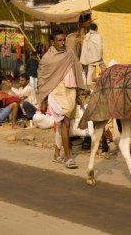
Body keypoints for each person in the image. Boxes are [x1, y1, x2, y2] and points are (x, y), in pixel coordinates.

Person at [37, 29, 87, 169]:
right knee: (65, 122)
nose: (62, 42)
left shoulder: (70, 52)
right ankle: (68, 157)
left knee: (62, 124)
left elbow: (76, 71)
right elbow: (43, 79)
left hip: (70, 91)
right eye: (59, 40)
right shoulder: (47, 58)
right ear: (52, 42)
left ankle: (56, 154)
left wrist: (78, 94)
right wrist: (43, 99)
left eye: (64, 40)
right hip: (55, 91)